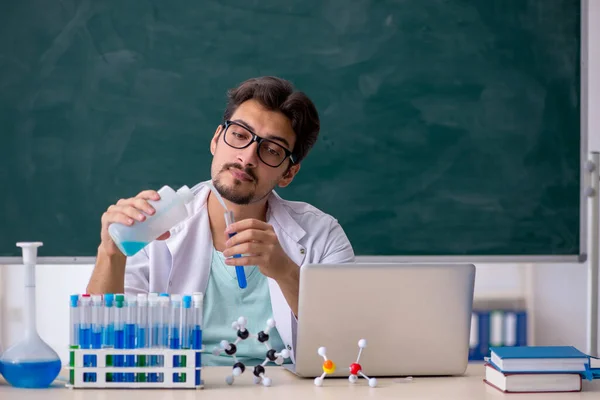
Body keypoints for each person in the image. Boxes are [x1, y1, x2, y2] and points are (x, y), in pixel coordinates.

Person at [86, 76, 355, 366]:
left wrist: (285, 271)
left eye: (272, 150)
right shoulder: (152, 222)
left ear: (288, 173)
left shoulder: (322, 234)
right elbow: (104, 352)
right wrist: (110, 253)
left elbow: (347, 347)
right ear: (216, 139)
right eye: (240, 135)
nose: (247, 157)